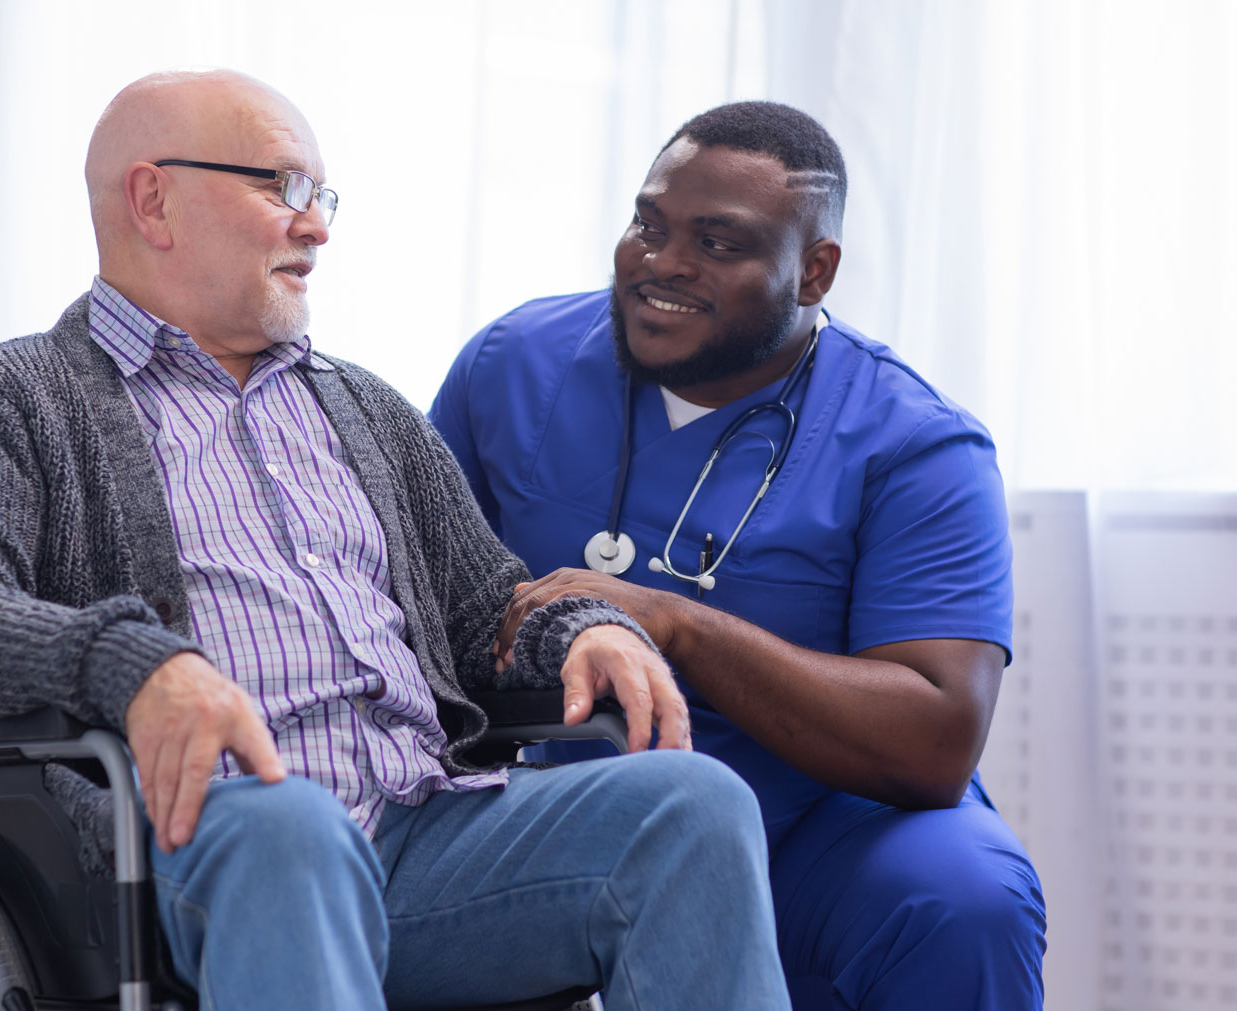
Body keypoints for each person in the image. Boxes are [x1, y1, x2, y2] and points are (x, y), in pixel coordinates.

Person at [0, 71, 790, 1010]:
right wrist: (136, 664)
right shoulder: (4, 397)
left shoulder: (367, 409)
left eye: (322, 196)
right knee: (293, 830)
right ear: (154, 200)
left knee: (693, 803)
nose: (316, 226)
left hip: (426, 834)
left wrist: (579, 630)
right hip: (192, 847)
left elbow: (487, 607)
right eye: (282, 186)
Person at [430, 101, 1047, 1010]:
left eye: (717, 243)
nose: (662, 262)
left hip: (808, 825)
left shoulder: (916, 443)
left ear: (814, 272)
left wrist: (677, 625)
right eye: (649, 224)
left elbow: (934, 740)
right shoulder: (511, 364)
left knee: (965, 900)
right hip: (551, 803)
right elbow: (411, 603)